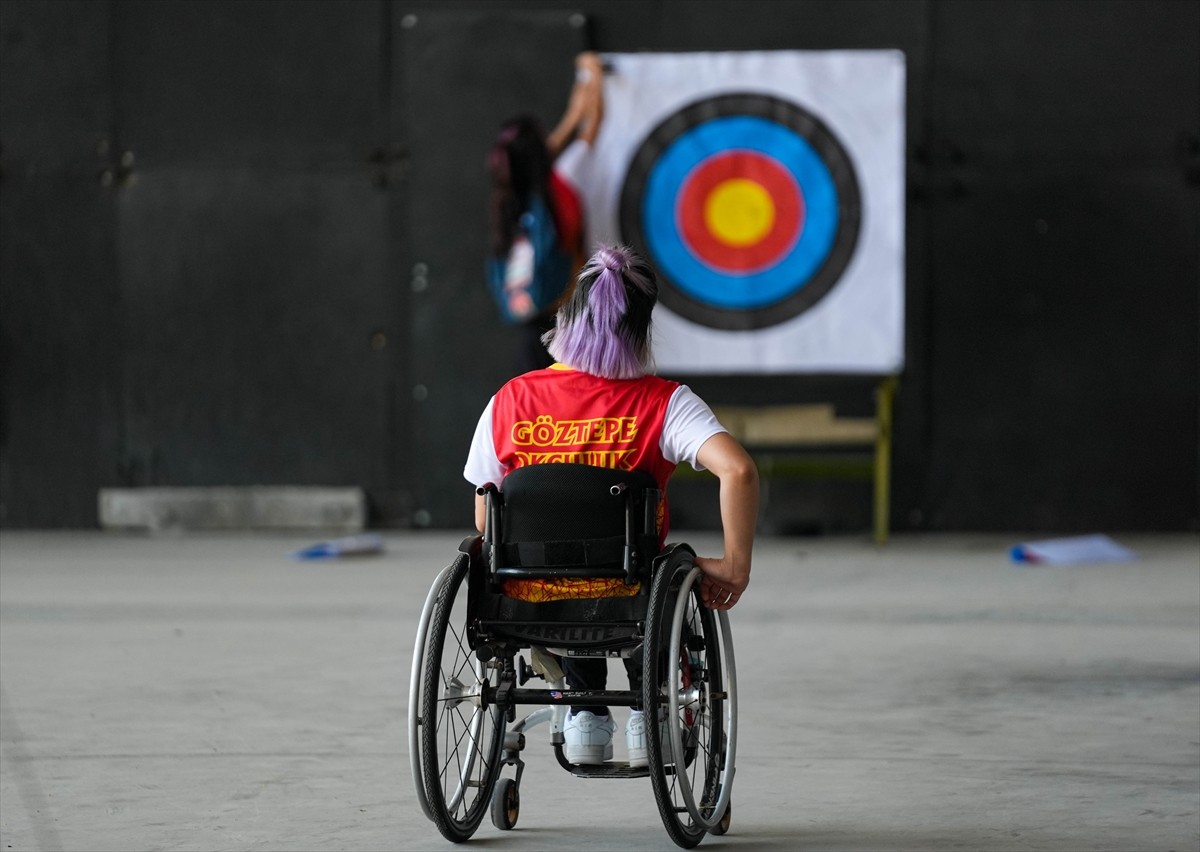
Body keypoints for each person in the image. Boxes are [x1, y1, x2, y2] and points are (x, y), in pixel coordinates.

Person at [463, 244, 759, 766]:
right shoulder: (664, 403)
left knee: (557, 560)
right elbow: (738, 471)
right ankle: (650, 710)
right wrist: (734, 567)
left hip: (528, 598)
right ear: (642, 330)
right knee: (650, 574)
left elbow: (487, 517)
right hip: (630, 595)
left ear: (570, 315)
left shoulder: (510, 399)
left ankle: (584, 711)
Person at [487, 52, 604, 373]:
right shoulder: (563, 182)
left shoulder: (511, 194)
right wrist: (591, 76)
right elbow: (593, 121)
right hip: (570, 323)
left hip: (533, 329)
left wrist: (579, 91)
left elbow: (537, 154)